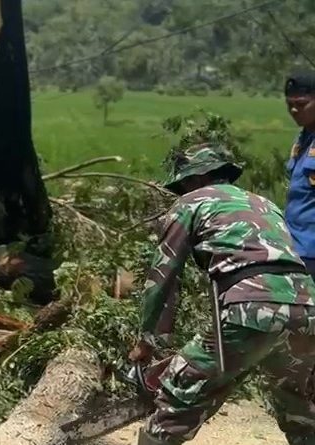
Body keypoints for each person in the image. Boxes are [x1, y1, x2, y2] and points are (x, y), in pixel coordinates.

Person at [128, 144, 315, 445]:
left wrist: (147, 340)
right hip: (307, 308)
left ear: (194, 179)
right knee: (296, 405)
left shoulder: (191, 202)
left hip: (250, 308)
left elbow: (163, 277)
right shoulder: (265, 204)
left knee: (179, 388)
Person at [284, 71, 315, 278]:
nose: (294, 110)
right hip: (295, 247)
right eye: (290, 104)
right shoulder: (303, 138)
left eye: (302, 104)